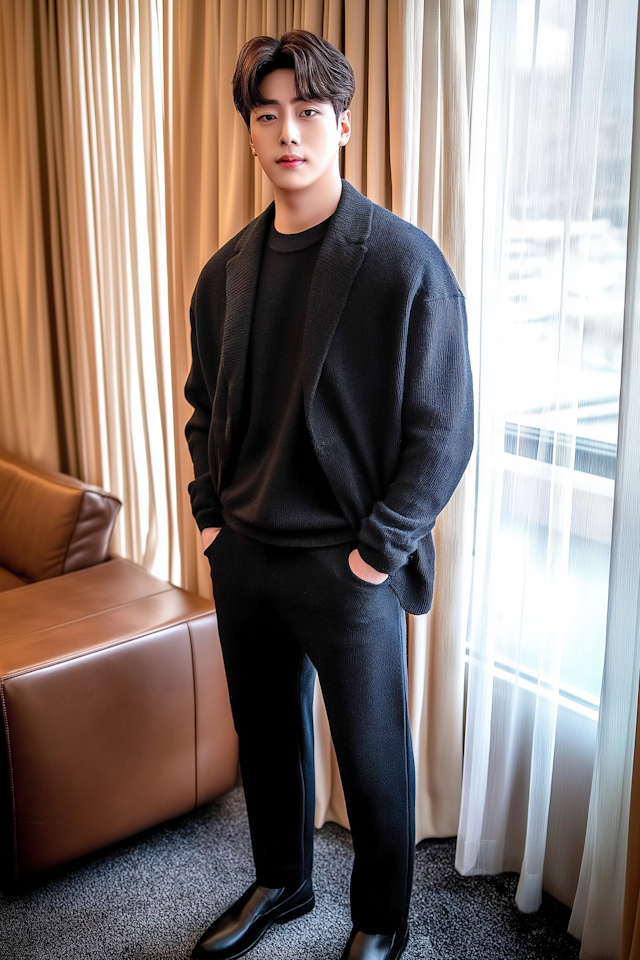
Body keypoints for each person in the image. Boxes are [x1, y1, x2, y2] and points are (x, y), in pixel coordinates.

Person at [184, 29, 473, 960]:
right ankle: (282, 881)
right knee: (265, 739)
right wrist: (211, 518)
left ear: (343, 126)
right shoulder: (224, 274)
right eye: (267, 116)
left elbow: (443, 428)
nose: (287, 133)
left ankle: (380, 922)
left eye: (308, 112)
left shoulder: (403, 262)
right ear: (252, 134)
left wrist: (377, 552)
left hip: (347, 564)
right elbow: (204, 407)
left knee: (373, 758)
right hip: (249, 554)